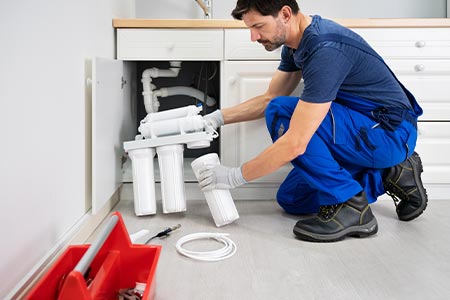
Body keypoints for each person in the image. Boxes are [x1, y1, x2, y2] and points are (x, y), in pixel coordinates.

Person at [198, 0, 428, 242]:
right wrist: (217, 118)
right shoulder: (295, 45)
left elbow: (295, 142)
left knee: (283, 112)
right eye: (250, 29)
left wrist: (234, 176)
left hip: (389, 133)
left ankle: (351, 205)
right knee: (292, 199)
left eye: (258, 26)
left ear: (285, 14)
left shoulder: (326, 49)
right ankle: (388, 173)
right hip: (361, 131)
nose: (254, 37)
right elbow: (269, 98)